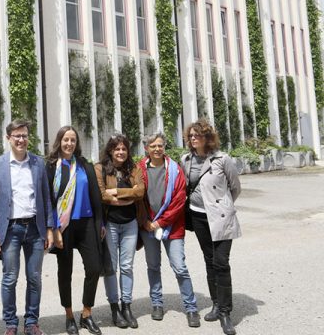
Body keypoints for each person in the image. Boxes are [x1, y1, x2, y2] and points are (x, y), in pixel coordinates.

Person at [0, 119, 54, 335]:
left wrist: (50, 228)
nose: (21, 139)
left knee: (34, 277)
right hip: (10, 230)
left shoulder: (38, 163)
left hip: (35, 228)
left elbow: (46, 197)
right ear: (9, 138)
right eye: (17, 136)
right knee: (10, 278)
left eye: (24, 135)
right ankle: (11, 324)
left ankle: (31, 322)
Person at [181, 119, 241, 335]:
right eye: (191, 135)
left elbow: (235, 188)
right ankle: (216, 304)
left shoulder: (222, 159)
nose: (193, 138)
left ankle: (226, 312)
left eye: (197, 134)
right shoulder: (186, 159)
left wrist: (222, 205)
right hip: (198, 217)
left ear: (207, 137)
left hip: (221, 217)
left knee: (221, 262)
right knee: (209, 260)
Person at [46, 126, 105, 335]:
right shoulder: (52, 166)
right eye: (65, 140)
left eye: (72, 140)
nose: (69, 143)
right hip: (64, 226)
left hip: (87, 222)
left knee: (94, 268)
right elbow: (49, 200)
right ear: (59, 141)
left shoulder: (84, 165)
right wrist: (54, 228)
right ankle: (69, 315)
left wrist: (101, 224)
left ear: (76, 143)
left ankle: (86, 314)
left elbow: (96, 196)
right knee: (66, 271)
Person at [138, 132, 201, 328]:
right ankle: (157, 303)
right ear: (146, 148)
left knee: (179, 267)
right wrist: (146, 221)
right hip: (148, 227)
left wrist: (160, 222)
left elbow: (179, 199)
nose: (157, 149)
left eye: (160, 145)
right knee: (153, 266)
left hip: (172, 227)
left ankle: (191, 307)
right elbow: (137, 198)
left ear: (164, 147)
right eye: (153, 146)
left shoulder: (175, 169)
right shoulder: (139, 168)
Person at [94, 134, 145, 329]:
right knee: (111, 267)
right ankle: (114, 308)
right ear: (110, 151)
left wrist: (116, 193)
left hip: (130, 223)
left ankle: (127, 306)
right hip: (111, 224)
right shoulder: (100, 168)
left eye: (124, 149)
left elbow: (140, 192)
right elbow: (101, 195)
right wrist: (126, 196)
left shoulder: (134, 168)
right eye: (117, 149)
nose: (121, 152)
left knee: (127, 266)